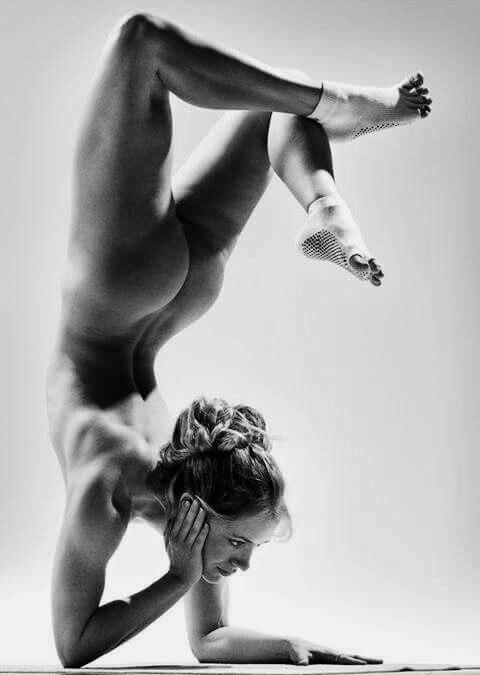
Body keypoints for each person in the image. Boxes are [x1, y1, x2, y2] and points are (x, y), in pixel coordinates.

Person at [46, 11, 432, 669]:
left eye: (239, 545)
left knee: (142, 42)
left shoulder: (106, 487)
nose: (244, 564)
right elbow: (211, 641)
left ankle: (333, 121)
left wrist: (186, 580)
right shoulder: (185, 496)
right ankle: (325, 207)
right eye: (243, 544)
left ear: (196, 509)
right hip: (152, 297)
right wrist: (290, 642)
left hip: (116, 288)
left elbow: (73, 646)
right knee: (269, 105)